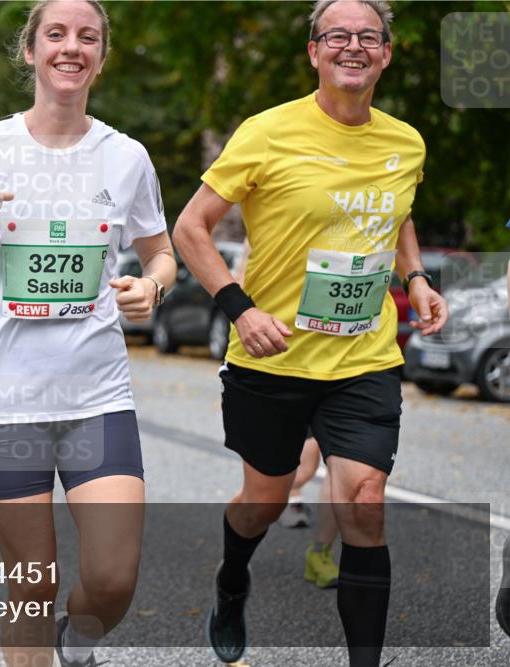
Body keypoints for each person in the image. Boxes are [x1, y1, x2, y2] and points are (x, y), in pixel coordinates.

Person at [0, 2, 177, 665]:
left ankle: (77, 638)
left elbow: (161, 249)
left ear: (101, 57)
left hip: (96, 396)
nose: (71, 47)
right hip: (7, 399)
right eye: (56, 34)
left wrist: (154, 284)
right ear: (30, 51)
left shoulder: (126, 157)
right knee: (31, 580)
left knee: (113, 578)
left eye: (88, 37)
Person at [173, 1, 449, 664]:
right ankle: (232, 580)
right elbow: (190, 228)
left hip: (364, 356)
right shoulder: (267, 133)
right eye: (337, 35)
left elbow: (399, 216)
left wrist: (414, 280)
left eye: (367, 37)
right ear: (314, 52)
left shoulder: (405, 141)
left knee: (364, 501)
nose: (352, 46)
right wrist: (241, 308)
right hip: (273, 356)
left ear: (385, 53)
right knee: (262, 503)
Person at [235, 241, 341, 586]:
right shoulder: (266, 232)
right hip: (281, 364)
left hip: (344, 364)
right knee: (297, 473)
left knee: (348, 472)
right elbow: (234, 288)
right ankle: (274, 503)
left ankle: (321, 552)